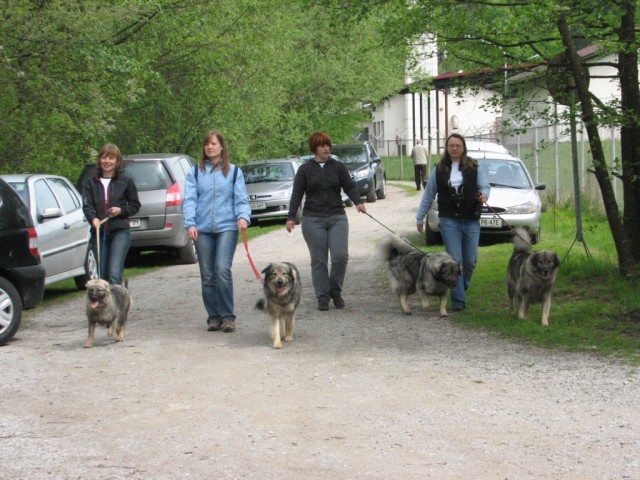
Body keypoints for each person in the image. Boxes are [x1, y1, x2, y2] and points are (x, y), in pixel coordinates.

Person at [286, 131, 366, 311]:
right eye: (322, 145)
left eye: (328, 145)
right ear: (315, 148)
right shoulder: (305, 169)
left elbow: (349, 186)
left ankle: (335, 292)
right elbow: (297, 194)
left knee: (340, 257)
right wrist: (291, 217)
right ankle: (322, 298)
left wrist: (358, 202)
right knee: (319, 260)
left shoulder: (338, 167)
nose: (326, 148)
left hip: (337, 216)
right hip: (312, 219)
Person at [183, 130, 251, 333]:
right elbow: (190, 200)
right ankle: (214, 316)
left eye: (214, 144)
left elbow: (241, 199)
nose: (210, 147)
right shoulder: (195, 172)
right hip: (201, 229)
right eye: (207, 144)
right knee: (207, 275)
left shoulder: (234, 172)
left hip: (227, 227)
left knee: (222, 269)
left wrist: (243, 217)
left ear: (222, 147)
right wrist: (190, 223)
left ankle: (228, 316)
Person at [415, 133, 490, 311]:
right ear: (446, 148)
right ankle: (458, 302)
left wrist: (484, 195)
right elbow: (429, 194)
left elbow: (484, 186)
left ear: (463, 148)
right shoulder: (439, 168)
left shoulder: (474, 166)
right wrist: (420, 217)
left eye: (458, 145)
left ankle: (461, 286)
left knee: (470, 260)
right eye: (451, 145)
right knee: (455, 261)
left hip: (471, 218)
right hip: (449, 220)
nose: (454, 148)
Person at [82, 143, 141, 286]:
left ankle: (117, 305)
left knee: (114, 273)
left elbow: (135, 205)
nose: (107, 162)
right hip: (99, 231)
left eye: (111, 158)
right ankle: (105, 306)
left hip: (120, 231)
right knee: (102, 276)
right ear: (99, 160)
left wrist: (121, 211)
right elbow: (87, 205)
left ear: (117, 161)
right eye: (104, 158)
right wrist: (93, 218)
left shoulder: (125, 181)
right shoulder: (90, 181)